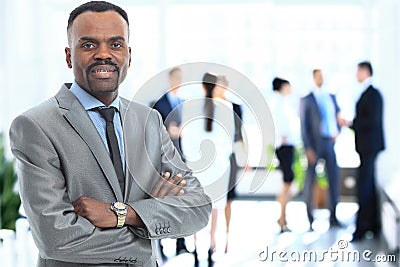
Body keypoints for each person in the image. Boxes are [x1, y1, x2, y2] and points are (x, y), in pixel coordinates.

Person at [9, 2, 211, 267]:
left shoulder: (148, 120)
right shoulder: (35, 126)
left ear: (129, 54)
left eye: (115, 45)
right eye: (89, 45)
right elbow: (56, 238)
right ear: (69, 56)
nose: (104, 54)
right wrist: (148, 232)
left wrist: (123, 214)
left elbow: (198, 208)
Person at [181, 73, 234, 267]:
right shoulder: (226, 107)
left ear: (202, 85)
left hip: (196, 165)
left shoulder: (190, 105)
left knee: (196, 207)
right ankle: (212, 247)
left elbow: (186, 140)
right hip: (219, 165)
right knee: (215, 208)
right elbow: (229, 141)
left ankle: (196, 248)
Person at [152, 67, 189, 257]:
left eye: (181, 78)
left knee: (180, 201)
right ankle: (158, 245)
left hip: (181, 159)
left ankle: (180, 243)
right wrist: (168, 132)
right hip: (163, 161)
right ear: (169, 80)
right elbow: (152, 132)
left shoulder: (184, 103)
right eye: (176, 78)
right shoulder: (159, 104)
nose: (179, 81)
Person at [300, 69, 342, 229]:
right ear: (313, 78)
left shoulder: (331, 96)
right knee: (310, 181)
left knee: (334, 178)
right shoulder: (307, 99)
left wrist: (337, 131)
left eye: (323, 76)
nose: (321, 79)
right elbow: (304, 126)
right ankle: (310, 219)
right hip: (314, 145)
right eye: (318, 76)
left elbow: (337, 116)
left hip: (329, 142)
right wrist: (308, 148)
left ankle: (333, 216)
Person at [350, 61, 385, 241]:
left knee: (364, 186)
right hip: (367, 147)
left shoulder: (373, 94)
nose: (356, 75)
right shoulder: (369, 94)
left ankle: (362, 228)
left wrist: (351, 123)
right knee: (367, 185)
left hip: (369, 147)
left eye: (357, 71)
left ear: (365, 71)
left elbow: (370, 121)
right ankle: (371, 225)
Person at [269, 77, 299, 233]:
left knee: (288, 182)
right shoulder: (278, 103)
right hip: (284, 146)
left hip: (286, 146)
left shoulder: (282, 102)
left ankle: (282, 217)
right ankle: (281, 217)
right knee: (287, 182)